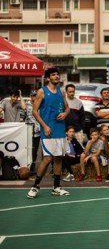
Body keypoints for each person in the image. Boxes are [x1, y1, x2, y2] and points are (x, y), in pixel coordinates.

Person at [27, 67, 71, 199]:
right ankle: (35, 186)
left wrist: (65, 113)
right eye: (54, 75)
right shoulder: (42, 92)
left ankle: (56, 187)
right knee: (47, 158)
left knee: (58, 158)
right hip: (48, 130)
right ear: (48, 78)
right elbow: (35, 111)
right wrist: (45, 126)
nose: (57, 76)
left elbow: (67, 107)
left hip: (60, 129)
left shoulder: (61, 92)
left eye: (58, 74)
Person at [23, 91, 41, 172]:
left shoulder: (40, 104)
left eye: (35, 96)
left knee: (35, 150)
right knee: (27, 150)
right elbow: (22, 116)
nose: (34, 97)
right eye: (33, 96)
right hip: (28, 131)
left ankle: (33, 168)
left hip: (38, 132)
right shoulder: (26, 104)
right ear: (30, 96)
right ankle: (27, 167)